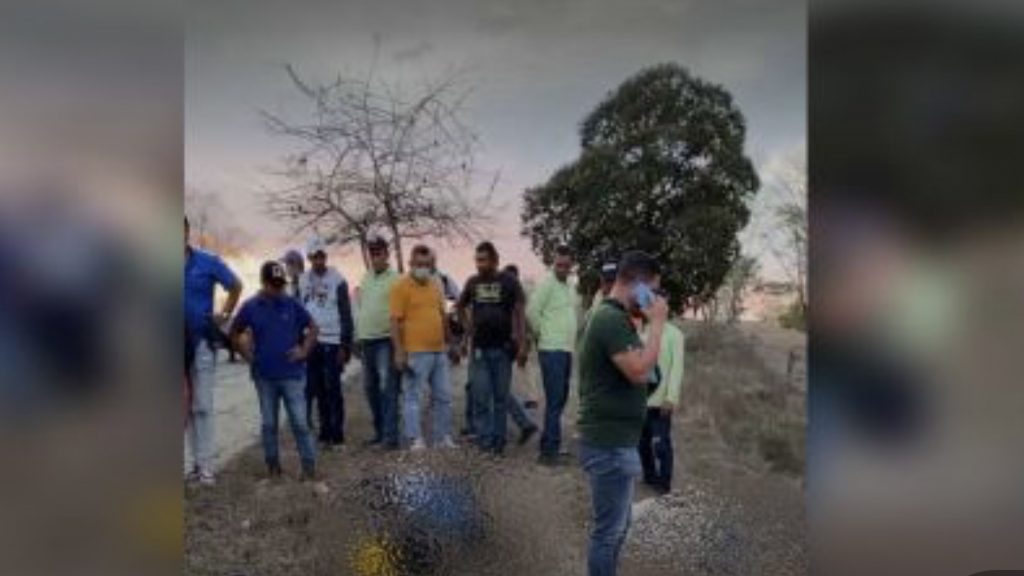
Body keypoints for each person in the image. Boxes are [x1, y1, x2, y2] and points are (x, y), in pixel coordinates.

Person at [577, 251, 669, 576]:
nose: (655, 299)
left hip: (616, 441)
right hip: (609, 443)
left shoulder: (618, 318)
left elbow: (643, 370)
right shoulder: (609, 319)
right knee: (609, 532)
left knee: (619, 525)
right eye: (653, 291)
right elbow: (640, 371)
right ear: (639, 284)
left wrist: (644, 321)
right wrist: (657, 323)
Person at [230, 260, 319, 480]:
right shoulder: (250, 306)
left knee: (299, 422)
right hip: (264, 377)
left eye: (281, 284)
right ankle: (273, 468)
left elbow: (314, 328)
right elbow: (234, 332)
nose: (278, 289)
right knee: (269, 424)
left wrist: (304, 350)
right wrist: (247, 355)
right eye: (273, 284)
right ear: (263, 283)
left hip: (293, 375)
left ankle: (309, 468)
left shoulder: (292, 304)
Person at [184, 216, 242, 486]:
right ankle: (194, 465)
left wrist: (225, 314)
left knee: (203, 405)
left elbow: (235, 285)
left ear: (186, 231)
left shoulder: (207, 262)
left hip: (202, 341)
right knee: (183, 407)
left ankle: (206, 466)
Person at [456, 242, 528, 456]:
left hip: (503, 349)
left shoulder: (509, 281)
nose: (480, 264)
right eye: (477, 260)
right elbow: (460, 306)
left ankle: (498, 443)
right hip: (479, 349)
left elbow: (519, 312)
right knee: (479, 396)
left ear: (495, 260)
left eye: (484, 260)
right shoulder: (472, 282)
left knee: (500, 397)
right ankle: (484, 441)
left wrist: (522, 343)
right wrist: (466, 333)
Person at [390, 245, 456, 450]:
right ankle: (414, 438)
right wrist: (399, 351)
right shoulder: (400, 287)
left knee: (443, 396)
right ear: (411, 263)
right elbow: (394, 321)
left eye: (427, 265)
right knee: (413, 397)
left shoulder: (436, 285)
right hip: (415, 352)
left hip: (438, 351)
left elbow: (442, 316)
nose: (423, 268)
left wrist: (449, 342)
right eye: (419, 264)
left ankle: (442, 437)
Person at [298, 238, 354, 450]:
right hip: (311, 341)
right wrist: (300, 343)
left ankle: (338, 435)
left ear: (326, 256)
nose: (319, 259)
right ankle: (324, 434)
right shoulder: (303, 280)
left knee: (333, 389)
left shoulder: (338, 279)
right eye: (315, 256)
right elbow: (299, 311)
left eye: (322, 255)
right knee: (317, 389)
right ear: (310, 257)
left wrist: (345, 345)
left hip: (332, 340)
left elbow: (346, 314)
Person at [527, 245, 579, 465]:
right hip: (551, 348)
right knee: (555, 399)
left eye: (566, 266)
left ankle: (551, 443)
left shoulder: (569, 286)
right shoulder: (546, 284)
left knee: (560, 398)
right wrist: (542, 335)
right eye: (559, 264)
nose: (562, 268)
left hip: (566, 349)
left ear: (571, 266)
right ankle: (548, 453)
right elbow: (531, 312)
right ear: (553, 263)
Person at [355, 234, 402, 449]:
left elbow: (402, 314)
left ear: (386, 254)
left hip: (386, 340)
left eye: (378, 252)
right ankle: (380, 432)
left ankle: (391, 437)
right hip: (366, 341)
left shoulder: (396, 279)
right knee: (369, 388)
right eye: (372, 252)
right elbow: (362, 308)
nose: (375, 256)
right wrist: (357, 337)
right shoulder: (366, 277)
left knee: (388, 388)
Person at [636, 288, 684, 494]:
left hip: (661, 401)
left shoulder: (675, 335)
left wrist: (671, 397)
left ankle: (664, 484)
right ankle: (649, 476)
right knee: (642, 443)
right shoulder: (641, 332)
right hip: (640, 399)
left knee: (661, 444)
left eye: (662, 303)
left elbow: (677, 368)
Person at [499, 264, 540, 444]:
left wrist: (525, 345)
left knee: (498, 388)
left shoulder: (516, 298)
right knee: (498, 388)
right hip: (505, 346)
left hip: (506, 347)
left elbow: (527, 323)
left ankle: (522, 424)